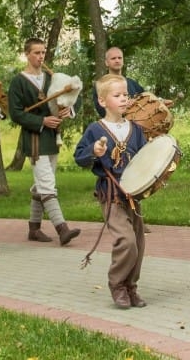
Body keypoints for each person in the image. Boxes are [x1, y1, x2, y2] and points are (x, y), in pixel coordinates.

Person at [74, 74, 148, 309]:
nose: (124, 99)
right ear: (103, 101)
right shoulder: (96, 129)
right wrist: (94, 151)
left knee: (138, 241)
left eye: (125, 94)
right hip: (111, 194)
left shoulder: (135, 129)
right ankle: (117, 285)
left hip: (133, 195)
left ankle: (131, 287)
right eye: (117, 95)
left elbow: (145, 157)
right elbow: (79, 156)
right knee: (126, 241)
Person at [8, 37, 81, 245]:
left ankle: (34, 229)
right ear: (27, 54)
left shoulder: (52, 78)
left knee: (41, 183)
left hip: (51, 137)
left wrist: (68, 109)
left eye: (42, 53)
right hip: (34, 139)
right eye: (36, 53)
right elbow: (15, 114)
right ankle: (62, 229)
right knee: (47, 183)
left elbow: (73, 93)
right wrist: (41, 120)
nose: (41, 57)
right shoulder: (18, 81)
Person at [95, 47, 144, 117]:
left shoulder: (132, 83)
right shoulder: (101, 84)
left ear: (123, 61)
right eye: (113, 58)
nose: (117, 60)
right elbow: (102, 111)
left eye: (120, 58)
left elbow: (146, 99)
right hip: (113, 126)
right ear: (106, 62)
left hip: (135, 126)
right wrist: (125, 106)